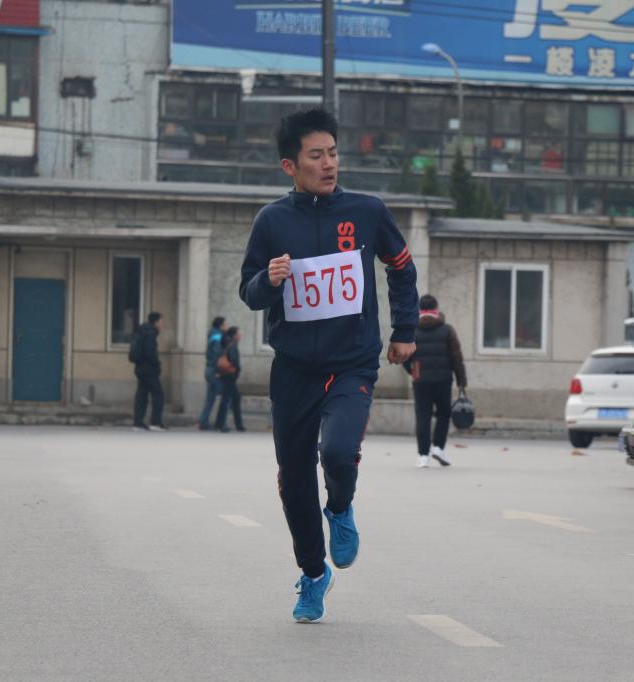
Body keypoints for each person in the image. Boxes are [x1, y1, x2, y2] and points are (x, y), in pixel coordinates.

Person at [239, 107, 418, 623]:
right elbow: (248, 292)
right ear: (289, 166)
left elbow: (401, 268)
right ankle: (314, 573)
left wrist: (405, 331)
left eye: (334, 153)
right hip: (294, 369)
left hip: (352, 363)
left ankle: (339, 508)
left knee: (338, 453)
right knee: (294, 479)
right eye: (316, 155)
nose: (329, 163)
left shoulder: (367, 211)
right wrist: (269, 280)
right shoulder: (272, 221)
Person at [403, 294, 467, 468]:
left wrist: (412, 371)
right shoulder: (447, 330)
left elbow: (404, 355)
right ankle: (438, 447)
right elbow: (457, 357)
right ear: (436, 309)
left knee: (423, 416)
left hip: (420, 381)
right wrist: (461, 381)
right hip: (443, 380)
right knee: (444, 414)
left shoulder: (412, 330)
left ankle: (423, 456)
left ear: (420, 310)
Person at [131, 312, 166, 432]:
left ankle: (138, 423)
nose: (162, 324)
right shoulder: (151, 333)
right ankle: (155, 422)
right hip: (149, 369)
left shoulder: (141, 331)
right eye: (161, 321)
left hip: (140, 368)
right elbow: (150, 352)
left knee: (141, 395)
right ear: (156, 322)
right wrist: (157, 364)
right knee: (158, 395)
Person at [198, 316, 228, 430]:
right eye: (225, 324)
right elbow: (217, 354)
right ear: (221, 325)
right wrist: (218, 371)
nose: (227, 326)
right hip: (214, 370)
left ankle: (203, 421)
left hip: (209, 369)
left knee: (210, 397)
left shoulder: (213, 335)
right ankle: (221, 423)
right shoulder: (218, 336)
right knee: (226, 395)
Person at [214, 326, 246, 433]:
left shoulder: (228, 344)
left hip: (228, 376)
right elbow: (233, 360)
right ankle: (222, 424)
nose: (240, 336)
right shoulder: (232, 346)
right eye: (238, 334)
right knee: (226, 400)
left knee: (235, 398)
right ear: (234, 336)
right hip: (230, 376)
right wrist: (236, 369)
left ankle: (237, 425)